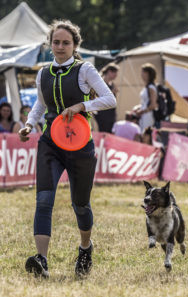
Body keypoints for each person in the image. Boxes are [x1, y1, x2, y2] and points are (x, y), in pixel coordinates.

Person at [18, 19, 116, 278]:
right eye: (56, 42)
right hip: (50, 142)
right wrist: (29, 124)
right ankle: (42, 259)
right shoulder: (43, 73)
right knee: (43, 201)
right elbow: (40, 105)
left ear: (75, 45)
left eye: (66, 43)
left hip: (80, 145)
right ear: (50, 45)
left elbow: (110, 99)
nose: (60, 47)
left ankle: (85, 248)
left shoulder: (85, 70)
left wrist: (82, 106)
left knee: (80, 205)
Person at [94, 63, 119, 133]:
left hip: (111, 113)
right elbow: (98, 96)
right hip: (102, 114)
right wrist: (112, 92)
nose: (116, 76)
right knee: (103, 132)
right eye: (115, 73)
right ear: (109, 72)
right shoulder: (101, 82)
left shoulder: (112, 84)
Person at [134, 63, 158, 131]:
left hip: (148, 116)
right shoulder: (147, 87)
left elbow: (153, 105)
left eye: (142, 72)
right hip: (144, 115)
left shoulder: (151, 87)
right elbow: (145, 102)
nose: (141, 74)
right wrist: (138, 108)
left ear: (147, 73)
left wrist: (141, 111)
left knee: (145, 134)